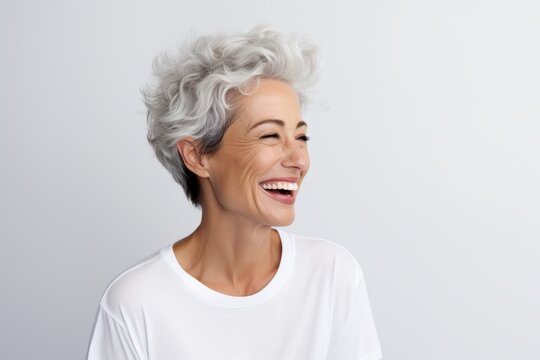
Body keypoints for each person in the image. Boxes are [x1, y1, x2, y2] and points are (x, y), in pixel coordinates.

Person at [87, 25, 382, 360]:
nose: (299, 159)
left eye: (301, 137)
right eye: (270, 136)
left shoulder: (331, 276)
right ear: (197, 155)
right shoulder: (135, 304)